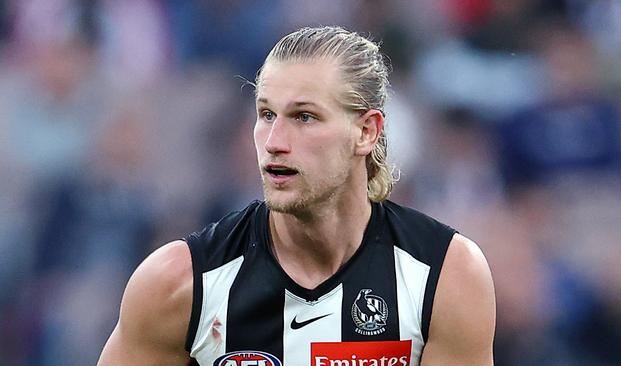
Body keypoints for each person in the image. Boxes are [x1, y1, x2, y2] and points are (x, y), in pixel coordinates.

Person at [98, 26, 496, 366]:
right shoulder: (178, 284)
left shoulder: (445, 276)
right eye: (266, 114)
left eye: (304, 117)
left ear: (366, 132)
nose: (274, 142)